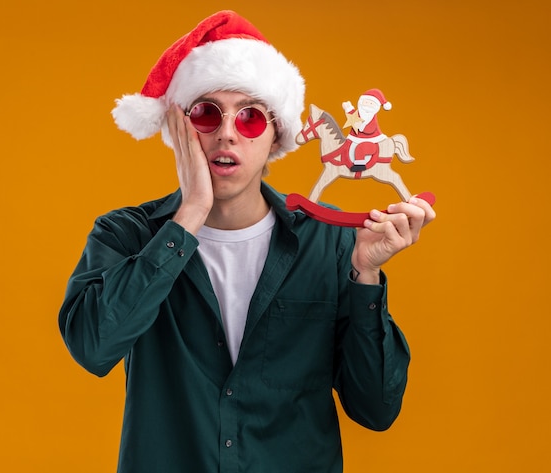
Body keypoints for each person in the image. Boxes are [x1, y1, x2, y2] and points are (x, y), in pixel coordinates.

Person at [58, 10, 435, 473]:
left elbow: (375, 408)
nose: (227, 132)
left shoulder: (333, 241)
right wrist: (189, 214)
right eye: (206, 113)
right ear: (180, 128)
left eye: (251, 117)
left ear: (277, 131)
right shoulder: (127, 234)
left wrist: (366, 275)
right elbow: (93, 346)